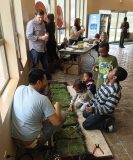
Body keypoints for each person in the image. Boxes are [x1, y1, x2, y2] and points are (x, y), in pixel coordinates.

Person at [11, 69, 65, 148]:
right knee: (62, 115)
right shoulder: (42, 99)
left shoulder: (20, 88)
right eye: (45, 80)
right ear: (39, 82)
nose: (46, 83)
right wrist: (58, 107)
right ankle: (40, 143)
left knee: (43, 115)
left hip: (15, 139)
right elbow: (57, 123)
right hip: (31, 142)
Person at [82, 66, 128, 132]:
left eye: (112, 71)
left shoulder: (115, 91)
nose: (109, 71)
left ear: (114, 77)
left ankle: (107, 123)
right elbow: (97, 95)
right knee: (85, 114)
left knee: (86, 125)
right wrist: (90, 103)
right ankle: (97, 117)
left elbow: (108, 108)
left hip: (104, 112)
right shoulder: (106, 83)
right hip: (97, 107)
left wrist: (94, 109)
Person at [26, 9, 51, 80]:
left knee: (46, 65)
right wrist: (40, 38)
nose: (41, 19)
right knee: (35, 67)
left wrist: (46, 35)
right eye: (39, 17)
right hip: (35, 49)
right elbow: (29, 36)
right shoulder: (31, 23)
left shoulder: (43, 23)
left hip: (43, 48)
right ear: (35, 16)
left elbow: (45, 32)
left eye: (42, 17)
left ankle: (48, 81)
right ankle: (35, 83)